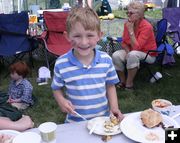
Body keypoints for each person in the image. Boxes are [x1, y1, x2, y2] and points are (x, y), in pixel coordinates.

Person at [51, 6, 124, 123]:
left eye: (90, 35)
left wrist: (114, 108)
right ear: (67, 36)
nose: (84, 42)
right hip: (75, 122)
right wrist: (61, 100)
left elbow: (110, 85)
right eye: (77, 36)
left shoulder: (106, 60)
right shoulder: (61, 63)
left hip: (102, 121)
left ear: (99, 35)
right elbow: (56, 88)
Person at [112, 1, 157, 90]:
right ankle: (122, 81)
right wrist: (128, 52)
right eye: (127, 12)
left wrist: (131, 31)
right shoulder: (128, 24)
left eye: (131, 13)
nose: (128, 15)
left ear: (140, 15)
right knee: (116, 55)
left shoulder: (147, 27)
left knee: (133, 54)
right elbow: (124, 42)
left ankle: (129, 84)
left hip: (148, 54)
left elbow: (137, 47)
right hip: (132, 51)